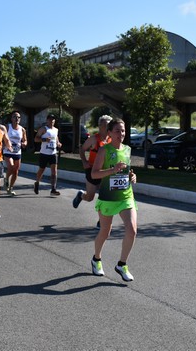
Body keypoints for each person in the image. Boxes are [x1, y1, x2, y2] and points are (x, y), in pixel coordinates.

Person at [90, 118, 138, 282]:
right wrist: (112, 170)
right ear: (109, 133)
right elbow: (94, 174)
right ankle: (96, 259)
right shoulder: (104, 151)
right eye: (117, 131)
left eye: (123, 131)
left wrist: (132, 176)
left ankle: (122, 264)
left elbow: (126, 171)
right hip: (108, 197)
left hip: (125, 195)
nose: (121, 134)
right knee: (105, 231)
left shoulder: (127, 150)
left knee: (132, 230)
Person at [73, 115, 113, 209]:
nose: (106, 128)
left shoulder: (111, 140)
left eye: (108, 126)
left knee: (105, 196)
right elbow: (82, 149)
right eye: (104, 125)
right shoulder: (94, 139)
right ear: (99, 126)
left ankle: (102, 220)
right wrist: (84, 161)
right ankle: (81, 195)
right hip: (92, 171)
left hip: (105, 172)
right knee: (89, 197)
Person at [33, 113, 62, 196]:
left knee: (54, 171)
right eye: (50, 119)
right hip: (44, 153)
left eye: (53, 119)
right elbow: (36, 139)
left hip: (53, 153)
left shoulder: (56, 130)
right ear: (47, 120)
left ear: (54, 121)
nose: (51, 121)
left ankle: (53, 189)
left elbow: (56, 138)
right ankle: (37, 183)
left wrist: (58, 143)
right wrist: (45, 139)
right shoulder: (43, 129)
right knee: (41, 170)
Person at [3, 111, 27, 196]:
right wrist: (4, 144)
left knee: (16, 171)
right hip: (8, 151)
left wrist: (24, 144)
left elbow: (25, 140)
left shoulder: (22, 129)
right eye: (15, 117)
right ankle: (6, 179)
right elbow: (2, 137)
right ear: (11, 118)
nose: (17, 118)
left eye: (18, 117)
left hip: (17, 152)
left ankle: (10, 188)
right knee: (11, 167)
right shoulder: (7, 127)